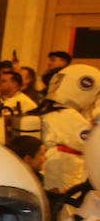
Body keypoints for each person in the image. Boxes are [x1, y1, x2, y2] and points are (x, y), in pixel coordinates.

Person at [34, 63, 100, 195]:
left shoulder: (51, 112)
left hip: (55, 175)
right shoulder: (68, 115)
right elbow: (91, 143)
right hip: (64, 178)